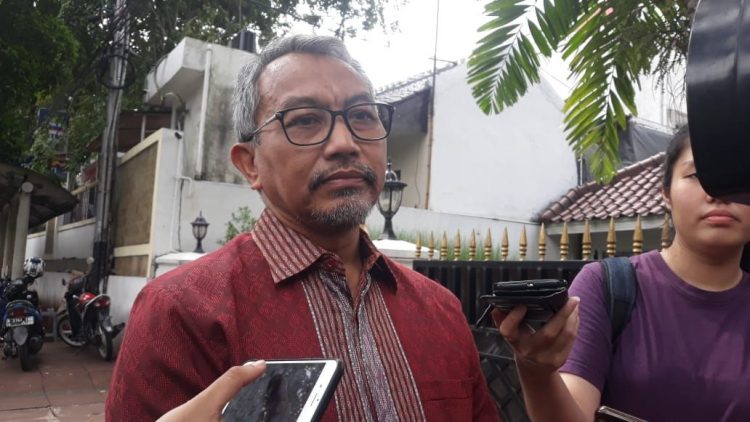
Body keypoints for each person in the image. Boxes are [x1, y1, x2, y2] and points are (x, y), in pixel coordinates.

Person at [106, 34, 499, 421]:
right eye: (306, 120)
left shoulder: (440, 309)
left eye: (363, 116)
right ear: (250, 164)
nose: (345, 143)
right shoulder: (180, 312)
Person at [493, 127, 750, 421]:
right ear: (666, 194)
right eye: (697, 175)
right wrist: (536, 373)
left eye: (736, 177)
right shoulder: (605, 286)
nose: (717, 192)